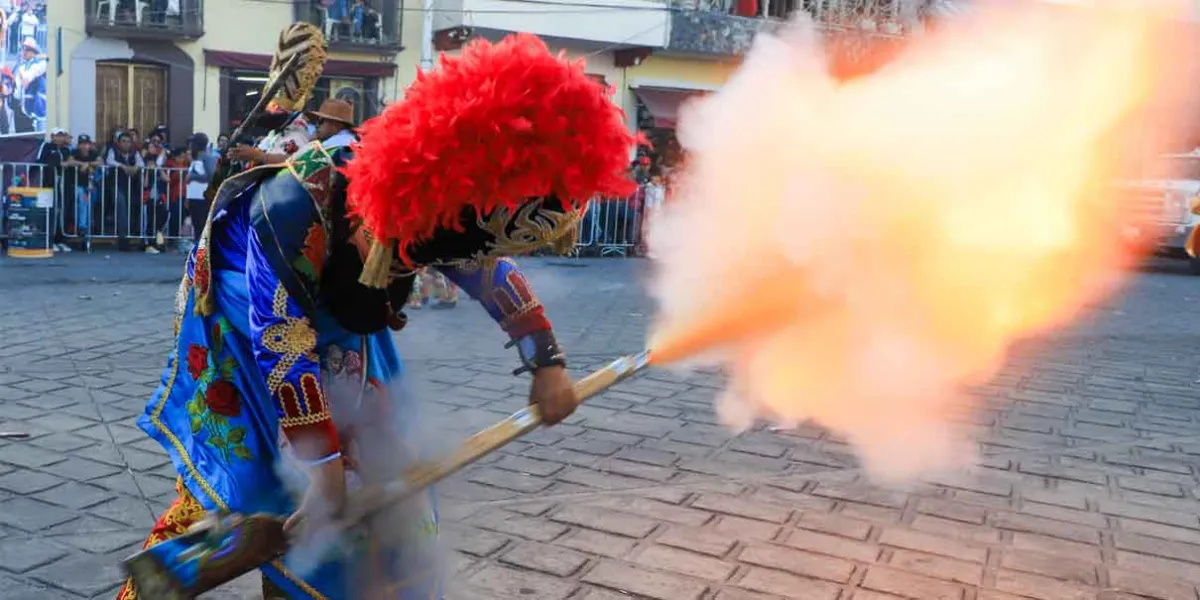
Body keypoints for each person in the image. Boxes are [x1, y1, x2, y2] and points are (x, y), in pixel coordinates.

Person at [117, 32, 637, 600]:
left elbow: (486, 268)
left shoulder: (442, 201)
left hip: (340, 329)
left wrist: (547, 360)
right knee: (242, 478)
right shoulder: (294, 205)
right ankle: (161, 576)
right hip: (243, 329)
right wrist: (323, 466)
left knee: (374, 502)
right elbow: (282, 341)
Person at [105, 131, 145, 252]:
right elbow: (109, 161)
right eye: (123, 141)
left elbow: (141, 163)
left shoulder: (135, 153)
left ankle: (130, 236)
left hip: (132, 188)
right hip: (116, 185)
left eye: (128, 141)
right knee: (121, 207)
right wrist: (123, 166)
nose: (126, 144)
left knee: (131, 210)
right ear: (118, 142)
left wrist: (135, 167)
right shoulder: (113, 151)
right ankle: (123, 239)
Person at [63, 134, 104, 250]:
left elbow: (100, 162)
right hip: (77, 186)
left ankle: (86, 231)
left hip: (90, 186)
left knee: (89, 206)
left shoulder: (93, 153)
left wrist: (89, 164)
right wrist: (83, 164)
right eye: (82, 144)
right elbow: (69, 162)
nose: (84, 146)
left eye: (86, 144)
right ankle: (82, 227)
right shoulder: (75, 152)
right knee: (82, 200)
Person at [36, 127, 72, 252]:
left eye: (62, 135)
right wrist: (58, 163)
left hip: (61, 185)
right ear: (52, 136)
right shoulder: (46, 146)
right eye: (57, 135)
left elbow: (70, 161)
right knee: (49, 213)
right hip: (47, 185)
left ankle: (60, 240)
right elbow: (41, 161)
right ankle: (49, 240)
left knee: (61, 212)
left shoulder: (65, 149)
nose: (59, 138)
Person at [184, 133, 217, 244]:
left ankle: (203, 254)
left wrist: (192, 177)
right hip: (194, 197)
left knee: (202, 226)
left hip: (202, 197)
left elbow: (210, 176)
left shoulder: (207, 157)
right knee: (197, 226)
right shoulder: (196, 158)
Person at [13, 37, 45, 133]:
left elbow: (33, 73)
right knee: (18, 136)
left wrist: (26, 77)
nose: (24, 52)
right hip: (19, 108)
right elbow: (17, 85)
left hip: (33, 109)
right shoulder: (20, 66)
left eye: (27, 49)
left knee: (32, 137)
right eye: (23, 49)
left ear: (34, 52)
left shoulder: (40, 64)